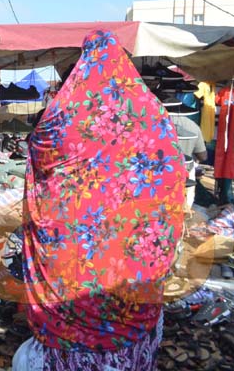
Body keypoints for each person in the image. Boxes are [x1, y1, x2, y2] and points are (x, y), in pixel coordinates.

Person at [13, 31, 185, 370]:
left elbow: (41, 148)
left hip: (74, 252)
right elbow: (172, 171)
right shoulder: (153, 115)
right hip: (132, 254)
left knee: (76, 293)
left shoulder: (66, 113)